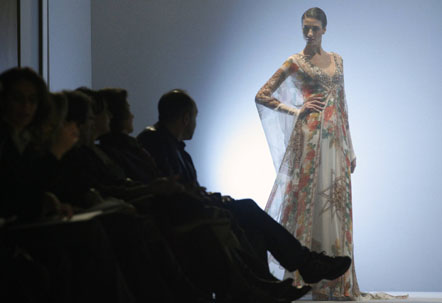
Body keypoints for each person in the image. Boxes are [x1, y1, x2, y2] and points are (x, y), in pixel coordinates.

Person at [137, 88, 353, 298]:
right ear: (185, 118)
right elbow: (172, 190)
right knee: (247, 208)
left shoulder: (170, 146)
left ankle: (272, 283)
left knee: (254, 230)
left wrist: (210, 197)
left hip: (192, 210)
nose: (195, 123)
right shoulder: (156, 142)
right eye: (194, 117)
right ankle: (303, 264)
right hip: (183, 216)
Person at [255, 7, 359, 300]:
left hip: (335, 141)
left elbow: (343, 103)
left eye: (315, 28)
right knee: (307, 203)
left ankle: (335, 280)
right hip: (310, 139)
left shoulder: (337, 61)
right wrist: (296, 110)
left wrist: (350, 146)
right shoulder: (295, 62)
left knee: (334, 205)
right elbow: (262, 94)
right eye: (306, 28)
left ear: (325, 29)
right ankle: (303, 276)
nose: (310, 33)